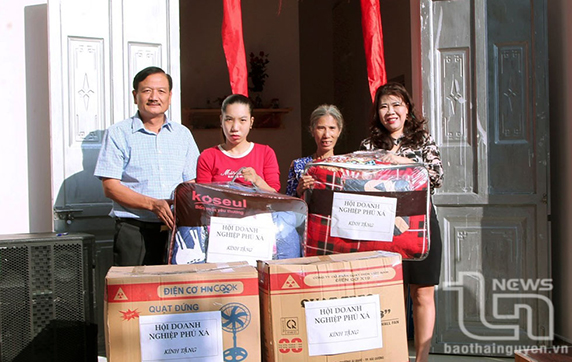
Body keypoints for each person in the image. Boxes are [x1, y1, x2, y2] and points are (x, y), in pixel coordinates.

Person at [360, 82, 444, 362]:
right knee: (389, 294)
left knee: (422, 294)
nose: (390, 111)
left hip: (421, 226)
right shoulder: (369, 145)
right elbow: (360, 183)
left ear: (407, 108)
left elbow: (437, 177)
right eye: (383, 106)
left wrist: (401, 162)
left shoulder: (422, 141)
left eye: (396, 104)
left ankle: (421, 358)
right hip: (383, 227)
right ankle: (392, 355)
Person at [94, 66, 200, 266]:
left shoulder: (182, 134)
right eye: (147, 91)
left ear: (169, 96)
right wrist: (153, 204)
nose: (154, 97)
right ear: (135, 96)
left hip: (176, 229)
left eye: (161, 91)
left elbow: (191, 183)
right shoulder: (118, 133)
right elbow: (110, 187)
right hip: (133, 230)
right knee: (135, 293)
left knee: (174, 292)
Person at [196, 94, 280, 192]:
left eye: (242, 120)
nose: (235, 127)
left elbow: (275, 195)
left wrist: (257, 180)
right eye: (229, 120)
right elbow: (202, 196)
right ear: (221, 120)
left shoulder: (266, 153)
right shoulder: (208, 156)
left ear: (251, 122)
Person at [285, 104, 344, 197]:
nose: (326, 135)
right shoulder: (298, 166)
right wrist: (299, 192)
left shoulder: (346, 168)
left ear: (339, 131)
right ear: (312, 130)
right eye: (321, 128)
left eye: (332, 128)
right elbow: (288, 206)